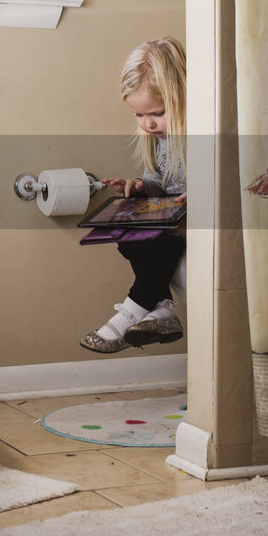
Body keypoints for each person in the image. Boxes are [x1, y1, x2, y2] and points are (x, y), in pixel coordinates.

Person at [81, 37, 188, 353]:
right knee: (127, 234)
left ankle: (133, 310)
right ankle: (162, 309)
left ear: (181, 95)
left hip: (194, 218)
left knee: (156, 237)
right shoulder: (158, 138)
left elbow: (226, 182)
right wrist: (141, 186)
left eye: (157, 112)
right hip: (172, 215)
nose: (148, 123)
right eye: (138, 116)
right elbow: (157, 180)